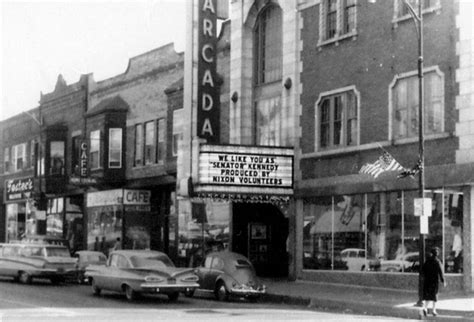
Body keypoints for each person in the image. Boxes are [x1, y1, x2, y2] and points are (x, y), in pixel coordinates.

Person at [422, 247, 446, 317]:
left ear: (431, 253)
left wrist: (425, 276)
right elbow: (441, 272)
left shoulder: (427, 261)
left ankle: (425, 308)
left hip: (427, 280)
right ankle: (434, 310)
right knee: (434, 296)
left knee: (427, 296)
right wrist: (443, 280)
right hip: (434, 281)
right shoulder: (437, 261)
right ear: (437, 254)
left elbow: (423, 270)